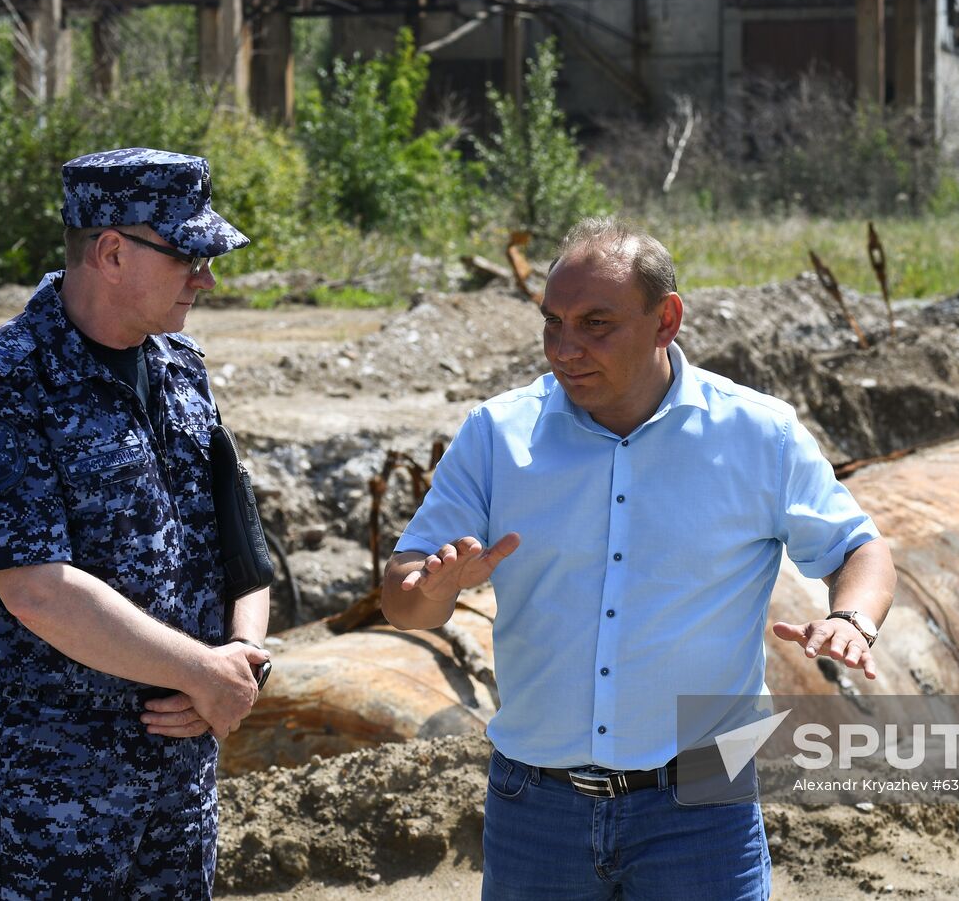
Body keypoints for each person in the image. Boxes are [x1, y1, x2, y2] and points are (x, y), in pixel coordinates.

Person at [382, 216, 896, 899]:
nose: (566, 348)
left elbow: (860, 549)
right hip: (537, 806)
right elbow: (403, 595)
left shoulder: (756, 434)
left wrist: (851, 620)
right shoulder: (498, 435)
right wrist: (436, 589)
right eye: (553, 324)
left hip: (703, 803)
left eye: (596, 324)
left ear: (666, 320)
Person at [0, 148, 271, 900]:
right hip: (57, 790)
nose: (207, 277)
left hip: (180, 778)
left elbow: (242, 548)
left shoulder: (181, 366)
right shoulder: (5, 379)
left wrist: (241, 659)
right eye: (188, 253)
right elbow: (36, 590)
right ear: (112, 250)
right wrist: (201, 671)